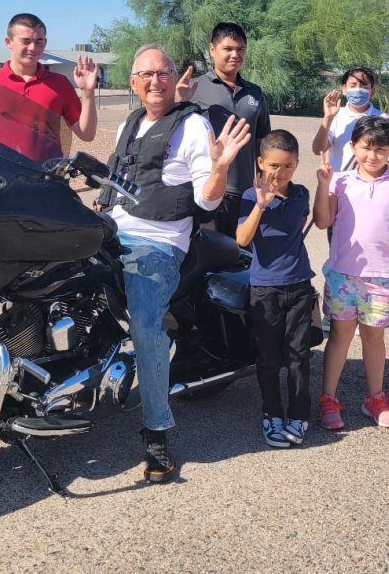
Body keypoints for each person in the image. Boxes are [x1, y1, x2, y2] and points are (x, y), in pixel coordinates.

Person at [96, 43, 250, 484]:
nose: (154, 81)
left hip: (158, 243)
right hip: (112, 232)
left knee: (146, 323)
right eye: (145, 74)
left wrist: (220, 166)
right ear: (133, 82)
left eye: (162, 73)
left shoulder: (192, 125)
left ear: (172, 78)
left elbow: (206, 198)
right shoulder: (131, 122)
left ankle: (157, 431)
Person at [313, 115, 389, 430]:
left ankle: (375, 398)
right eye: (366, 147)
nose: (372, 155)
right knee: (340, 336)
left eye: (381, 149)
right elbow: (323, 221)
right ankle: (328, 398)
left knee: (374, 337)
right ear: (353, 146)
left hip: (383, 277)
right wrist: (323, 185)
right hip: (343, 275)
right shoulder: (340, 181)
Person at [236, 130, 316, 448]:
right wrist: (261, 204)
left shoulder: (300, 195)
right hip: (265, 289)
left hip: (299, 285)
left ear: (296, 165)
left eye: (286, 166)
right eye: (272, 165)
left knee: (299, 355)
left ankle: (298, 414)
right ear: (260, 163)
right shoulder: (248, 196)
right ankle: (272, 414)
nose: (278, 173)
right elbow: (242, 239)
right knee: (268, 358)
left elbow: (302, 226)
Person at [0, 13, 98, 163]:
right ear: (9, 42)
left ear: (45, 43)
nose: (33, 48)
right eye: (25, 41)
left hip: (47, 178)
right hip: (1, 176)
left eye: (39, 41)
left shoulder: (60, 84)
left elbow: (87, 135)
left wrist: (87, 92)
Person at [180, 22, 270, 236]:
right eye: (228, 49)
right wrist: (177, 101)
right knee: (207, 258)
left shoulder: (255, 93)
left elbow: (262, 141)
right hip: (206, 190)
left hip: (246, 192)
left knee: (242, 258)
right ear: (212, 50)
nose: (235, 55)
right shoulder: (195, 89)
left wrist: (265, 181)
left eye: (240, 49)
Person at [312, 65, 388, 173]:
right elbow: (318, 150)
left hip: (370, 185)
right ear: (344, 89)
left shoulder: (382, 119)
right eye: (353, 85)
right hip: (337, 184)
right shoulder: (336, 116)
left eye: (364, 86)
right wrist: (328, 117)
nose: (358, 89)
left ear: (372, 92)